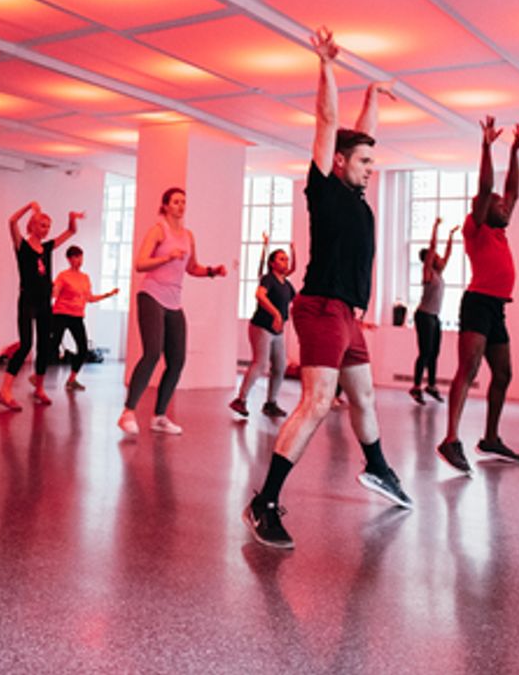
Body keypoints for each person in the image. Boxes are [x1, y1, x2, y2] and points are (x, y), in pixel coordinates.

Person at [243, 28, 413, 550]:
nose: (370, 167)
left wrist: (373, 97)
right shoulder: (323, 187)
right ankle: (264, 502)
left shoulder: (358, 195)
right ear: (338, 164)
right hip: (319, 309)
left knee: (363, 396)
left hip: (348, 315)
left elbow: (360, 135)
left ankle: (380, 469)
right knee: (318, 402)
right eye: (363, 162)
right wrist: (327, 67)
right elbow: (328, 124)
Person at [437, 116, 519, 475]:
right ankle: (450, 439)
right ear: (483, 208)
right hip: (476, 303)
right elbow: (487, 184)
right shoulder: (475, 228)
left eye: (505, 206)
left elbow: (513, 192)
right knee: (470, 367)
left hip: (497, 309)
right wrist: (488, 147)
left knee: (503, 373)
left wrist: (516, 152)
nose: (506, 207)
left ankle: (490, 437)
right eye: (499, 205)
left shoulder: (501, 231)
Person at [116, 187, 227, 436]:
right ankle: (128, 412)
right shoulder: (158, 231)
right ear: (165, 205)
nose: (180, 206)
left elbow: (191, 267)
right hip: (151, 295)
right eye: (176, 202)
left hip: (174, 301)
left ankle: (160, 416)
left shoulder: (188, 235)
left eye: (183, 202)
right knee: (153, 353)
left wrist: (211, 271)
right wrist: (166, 258)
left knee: (177, 361)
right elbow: (140, 264)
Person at [0, 202, 80, 410]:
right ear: (32, 226)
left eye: (48, 226)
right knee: (26, 345)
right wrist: (28, 207)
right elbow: (12, 221)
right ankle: (4, 391)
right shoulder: (22, 246)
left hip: (45, 302)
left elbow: (71, 231)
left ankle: (39, 388)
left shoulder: (48, 247)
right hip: (28, 301)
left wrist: (72, 217)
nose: (46, 230)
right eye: (42, 225)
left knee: (45, 346)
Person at [230, 232, 296, 419]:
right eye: (282, 259)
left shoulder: (287, 285)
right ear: (273, 263)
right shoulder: (268, 279)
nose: (285, 262)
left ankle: (271, 403)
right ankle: (240, 400)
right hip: (262, 327)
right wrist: (275, 313)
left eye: (287, 259)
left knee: (280, 366)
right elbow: (259, 295)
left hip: (278, 331)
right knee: (260, 364)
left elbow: (296, 302)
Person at [49, 245, 119, 392]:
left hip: (77, 316)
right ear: (69, 259)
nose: (79, 260)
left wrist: (108, 295)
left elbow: (89, 298)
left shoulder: (85, 278)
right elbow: (54, 293)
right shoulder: (63, 276)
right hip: (61, 313)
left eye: (80, 256)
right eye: (75, 257)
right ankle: (38, 376)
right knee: (52, 346)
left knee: (83, 349)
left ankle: (72, 379)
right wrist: (49, 291)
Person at [410, 218, 457, 405]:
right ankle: (415, 387)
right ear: (429, 259)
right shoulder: (428, 273)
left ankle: (431, 385)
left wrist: (451, 236)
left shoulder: (439, 274)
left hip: (434, 317)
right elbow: (432, 248)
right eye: (434, 256)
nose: (438, 257)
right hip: (423, 316)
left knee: (434, 352)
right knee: (425, 352)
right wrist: (435, 227)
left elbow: (448, 254)